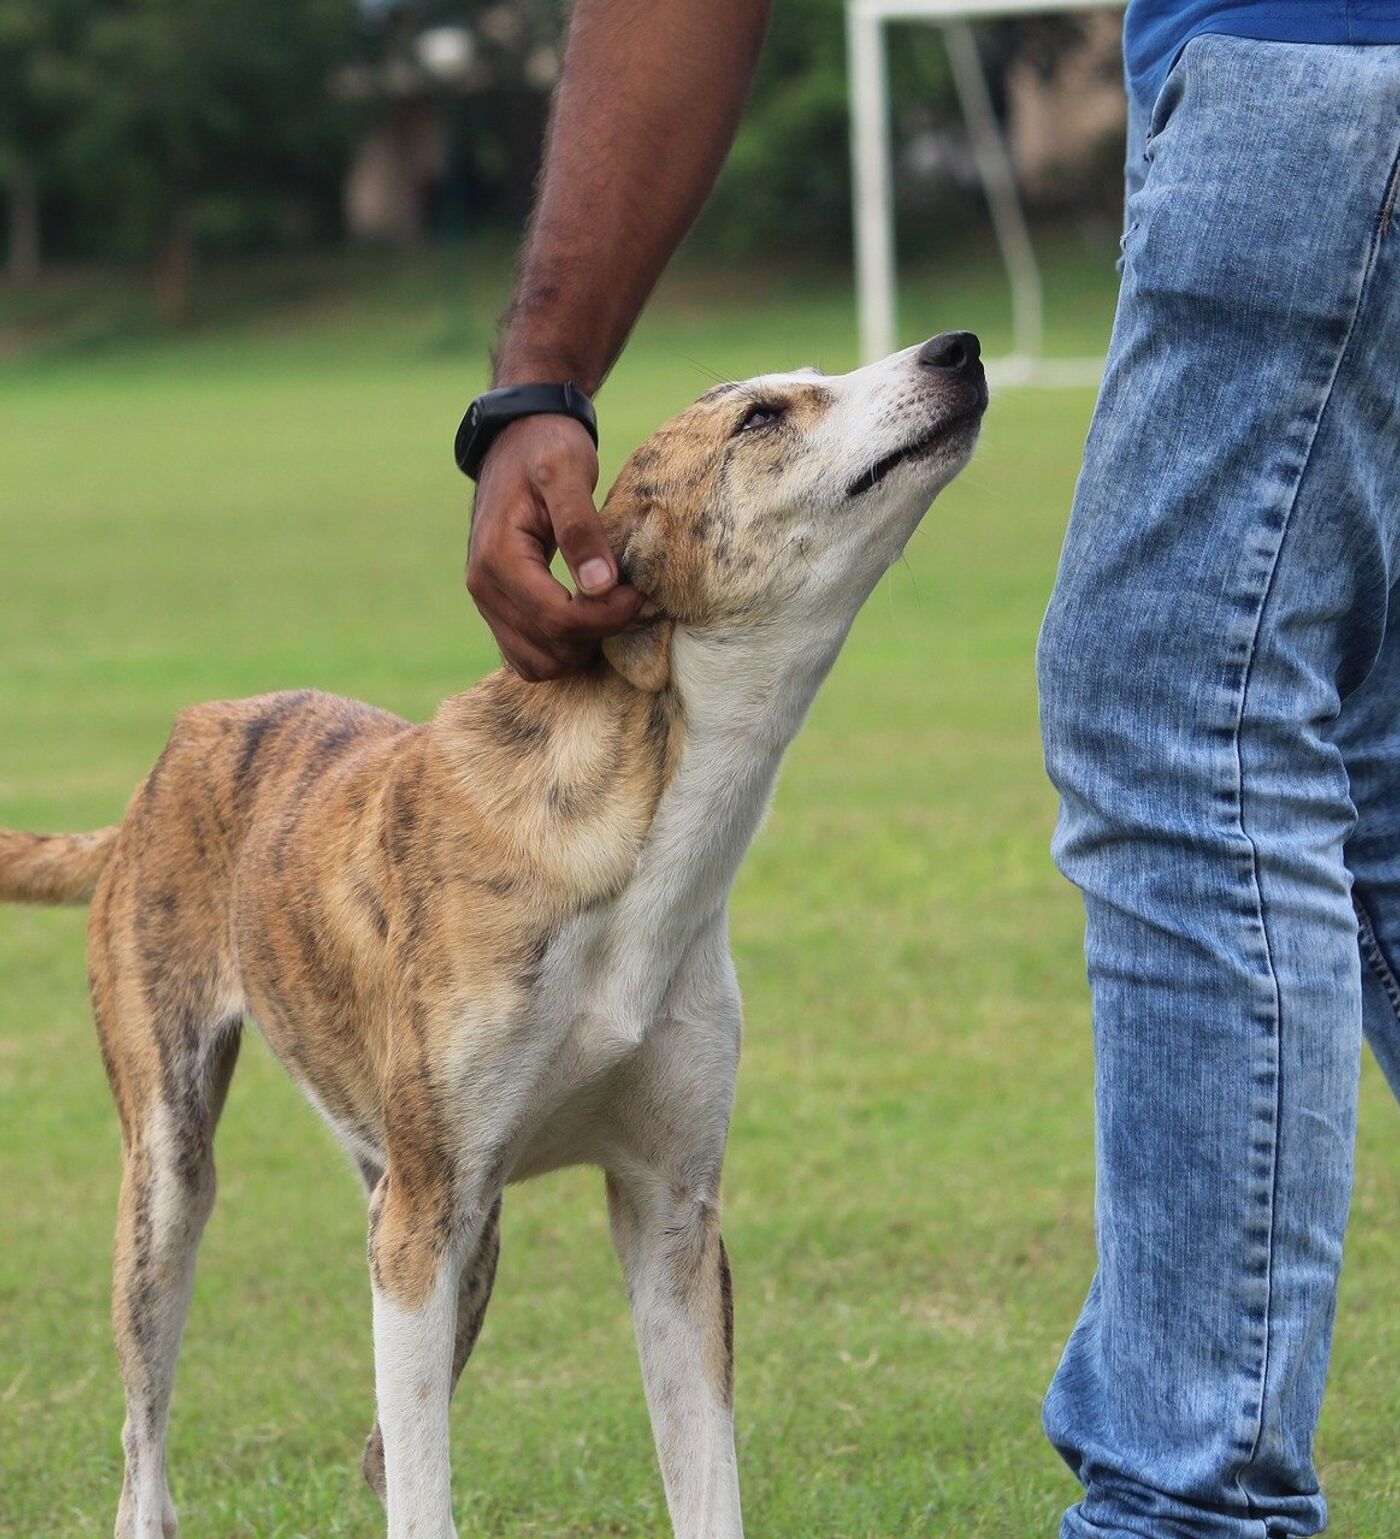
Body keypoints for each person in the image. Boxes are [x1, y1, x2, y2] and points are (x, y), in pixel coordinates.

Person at [465, 2, 1400, 1534]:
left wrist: (541, 373)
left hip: (1309, 71)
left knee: (1177, 712)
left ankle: (1190, 1508)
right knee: (1371, 772)